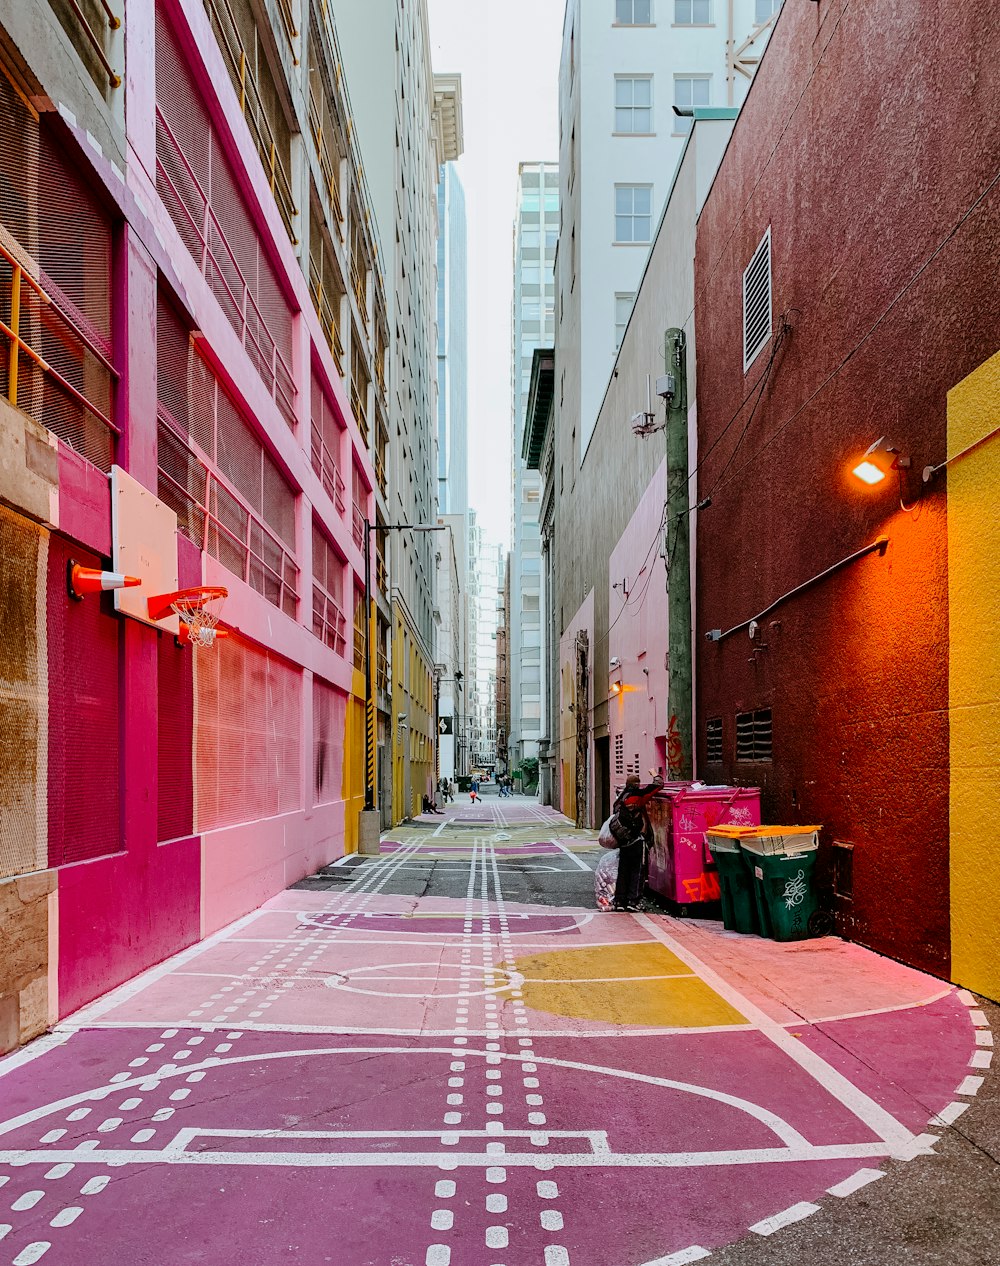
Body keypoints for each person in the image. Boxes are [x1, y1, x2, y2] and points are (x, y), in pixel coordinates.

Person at [611, 769, 664, 911]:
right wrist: (654, 774)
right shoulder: (639, 796)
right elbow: (658, 785)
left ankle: (619, 900)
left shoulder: (620, 799)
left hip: (623, 841)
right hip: (637, 841)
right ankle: (633, 901)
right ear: (637, 785)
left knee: (623, 870)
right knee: (638, 871)